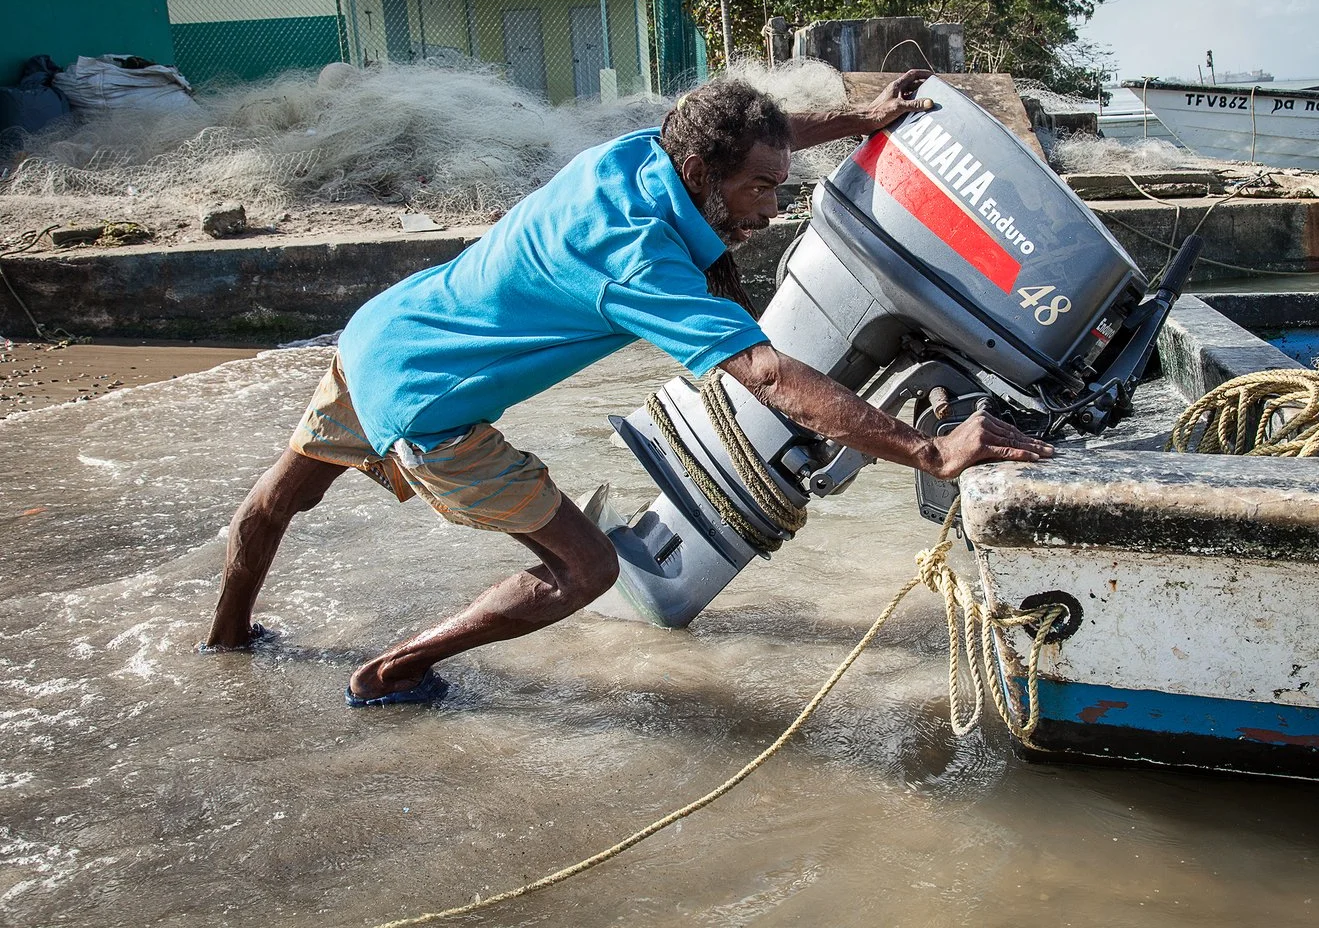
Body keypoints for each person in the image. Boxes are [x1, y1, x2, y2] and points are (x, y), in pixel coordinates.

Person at [201, 69, 1054, 705]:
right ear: (703, 173)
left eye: (777, 185)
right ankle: (390, 672)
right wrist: (928, 448)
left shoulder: (640, 153)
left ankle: (224, 649)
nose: (770, 208)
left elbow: (769, 129)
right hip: (433, 410)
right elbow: (765, 373)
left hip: (379, 337)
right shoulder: (639, 259)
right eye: (759, 189)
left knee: (276, 502)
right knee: (586, 569)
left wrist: (861, 119)